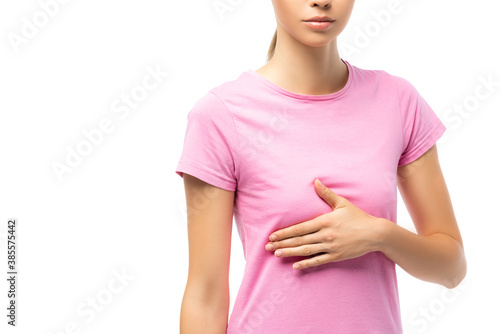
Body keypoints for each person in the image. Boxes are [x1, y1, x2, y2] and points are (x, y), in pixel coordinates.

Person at [175, 0, 467, 333]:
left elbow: (451, 269)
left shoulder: (398, 101)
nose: (320, 1)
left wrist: (380, 235)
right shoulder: (221, 115)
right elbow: (205, 296)